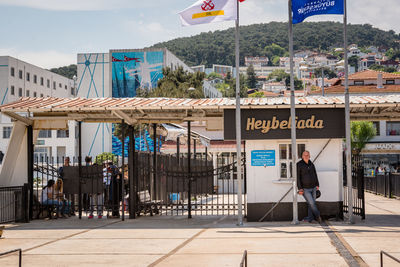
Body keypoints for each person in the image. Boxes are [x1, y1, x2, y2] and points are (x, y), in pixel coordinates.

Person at [297, 150, 322, 223]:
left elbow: (315, 174)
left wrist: (317, 184)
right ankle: (318, 216)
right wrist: (300, 188)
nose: (306, 156)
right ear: (302, 156)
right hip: (305, 189)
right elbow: (297, 177)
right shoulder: (299, 164)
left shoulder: (311, 164)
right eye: (305, 155)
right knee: (312, 203)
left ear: (309, 156)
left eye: (307, 155)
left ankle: (310, 218)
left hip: (314, 187)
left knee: (310, 204)